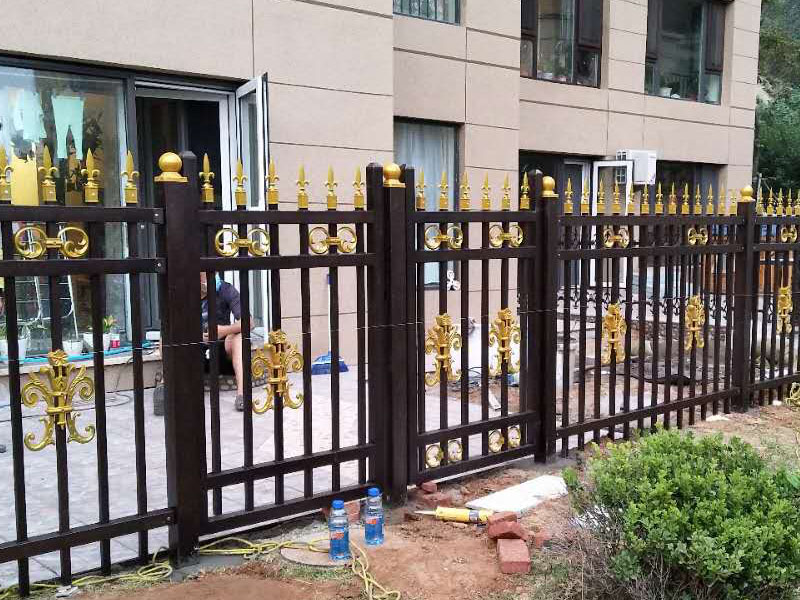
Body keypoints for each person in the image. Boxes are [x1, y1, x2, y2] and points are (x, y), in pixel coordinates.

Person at [200, 272, 245, 411]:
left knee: (238, 337)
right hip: (194, 353)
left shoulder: (225, 289)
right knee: (165, 337)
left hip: (222, 352)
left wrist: (222, 331)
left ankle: (242, 395)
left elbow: (249, 322)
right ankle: (164, 387)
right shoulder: (184, 292)